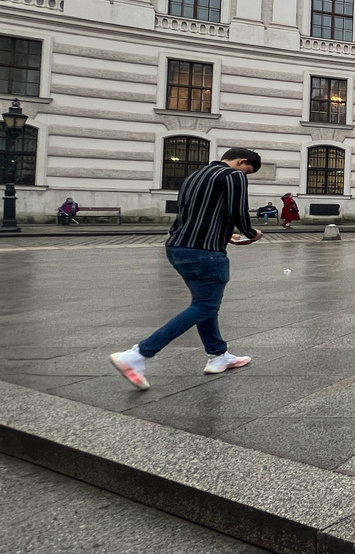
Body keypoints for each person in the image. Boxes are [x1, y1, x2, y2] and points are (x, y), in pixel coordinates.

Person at [109, 148, 263, 390]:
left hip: (178, 247)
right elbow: (237, 211)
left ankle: (218, 355)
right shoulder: (233, 176)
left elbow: (194, 213)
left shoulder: (194, 176)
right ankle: (138, 354)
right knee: (205, 305)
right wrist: (252, 234)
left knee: (205, 303)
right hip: (206, 252)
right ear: (241, 162)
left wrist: (224, 235)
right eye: (248, 171)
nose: (246, 175)